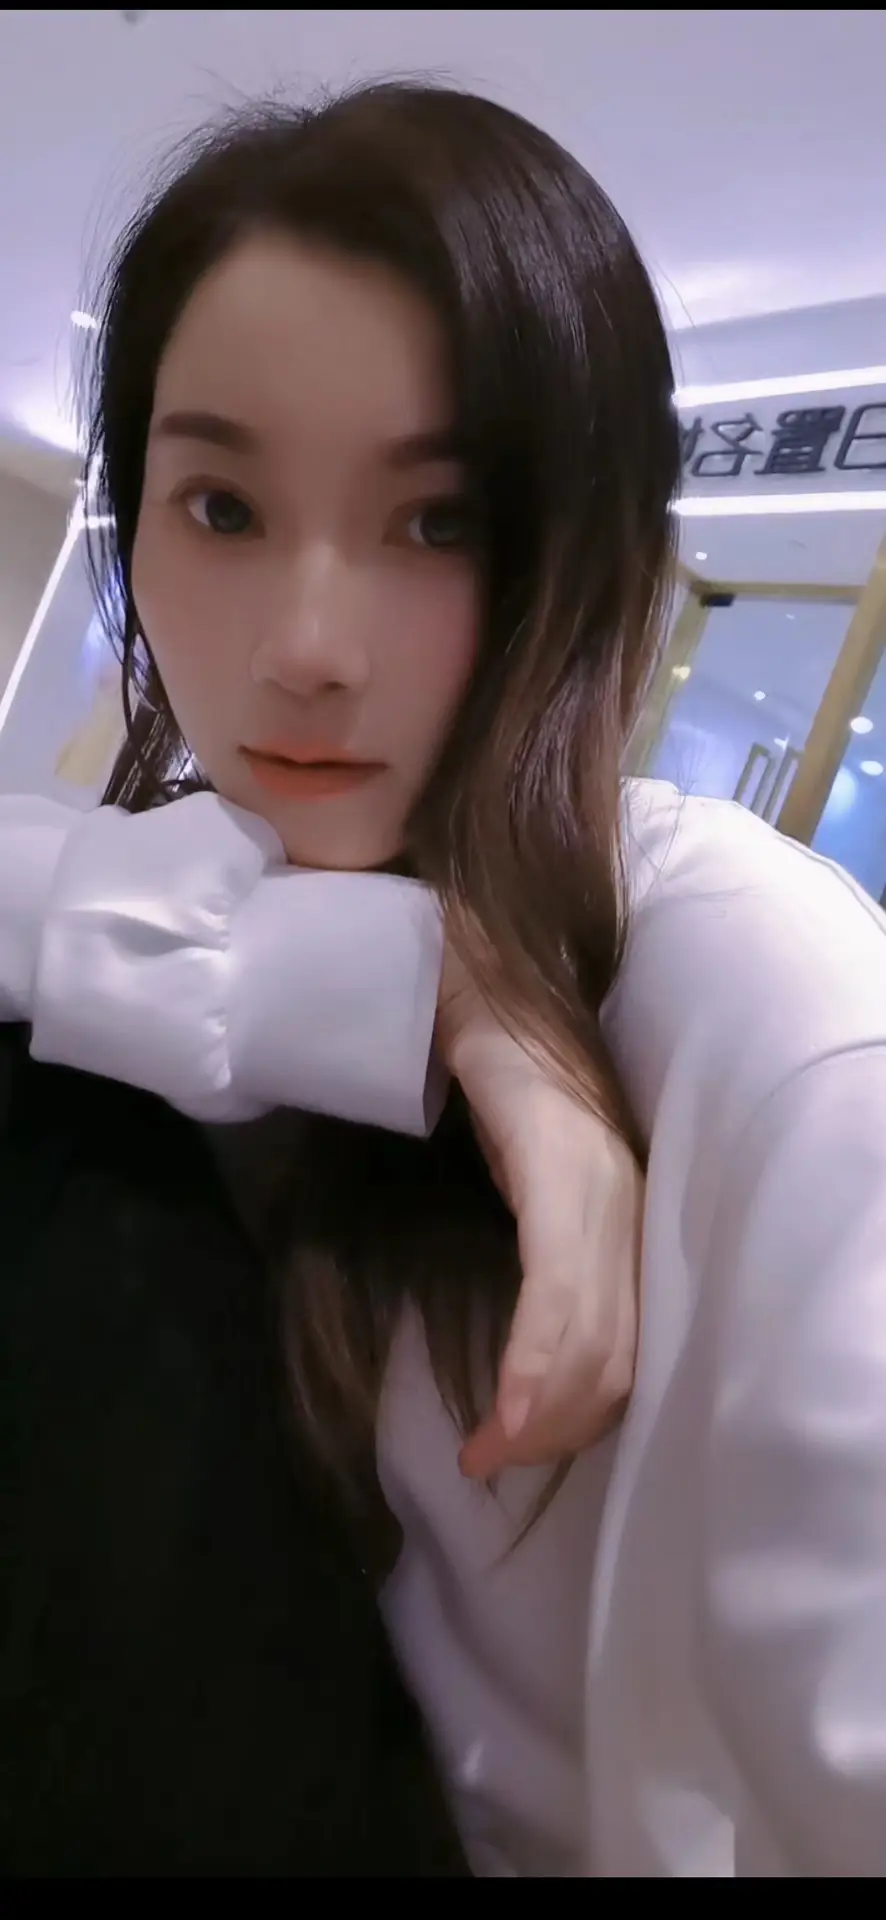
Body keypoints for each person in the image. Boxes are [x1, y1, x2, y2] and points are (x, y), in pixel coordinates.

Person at [3, 77, 886, 1878]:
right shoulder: (205, 863)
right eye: (221, 506)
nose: (306, 650)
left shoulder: (765, 993)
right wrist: (442, 995)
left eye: (438, 524)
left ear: (588, 554)